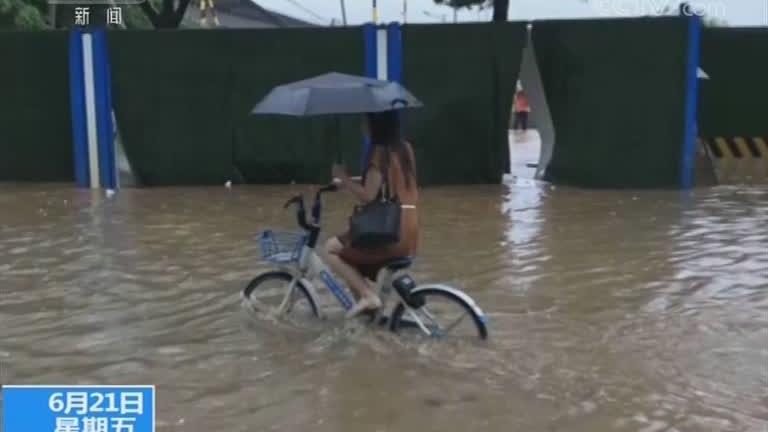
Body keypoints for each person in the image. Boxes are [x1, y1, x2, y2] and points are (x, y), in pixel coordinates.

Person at [324, 111, 420, 318]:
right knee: (352, 260)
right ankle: (367, 318)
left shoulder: (378, 153)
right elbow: (384, 180)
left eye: (365, 120)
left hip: (392, 229)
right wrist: (348, 183)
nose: (362, 124)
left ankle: (368, 295)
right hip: (409, 227)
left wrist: (344, 177)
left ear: (376, 125)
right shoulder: (405, 149)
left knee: (330, 249)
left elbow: (368, 196)